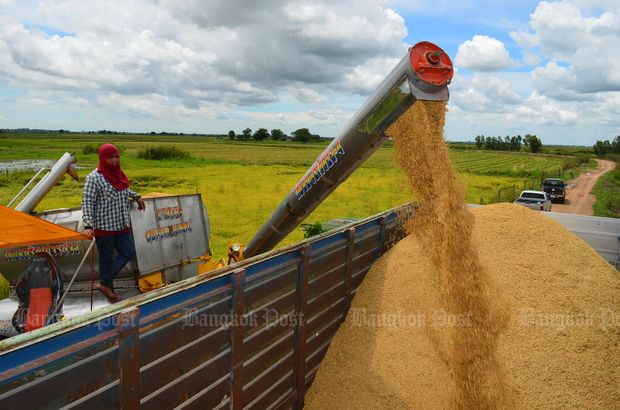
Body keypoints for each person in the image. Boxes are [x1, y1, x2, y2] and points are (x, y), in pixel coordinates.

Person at [82, 143, 145, 302]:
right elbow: (87, 201)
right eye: (110, 157)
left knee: (128, 252)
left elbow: (123, 188)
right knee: (106, 258)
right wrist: (88, 225)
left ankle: (104, 284)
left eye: (116, 156)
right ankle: (109, 291)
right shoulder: (94, 177)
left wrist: (136, 196)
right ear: (103, 158)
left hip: (121, 224)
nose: (115, 160)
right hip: (104, 226)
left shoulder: (118, 174)